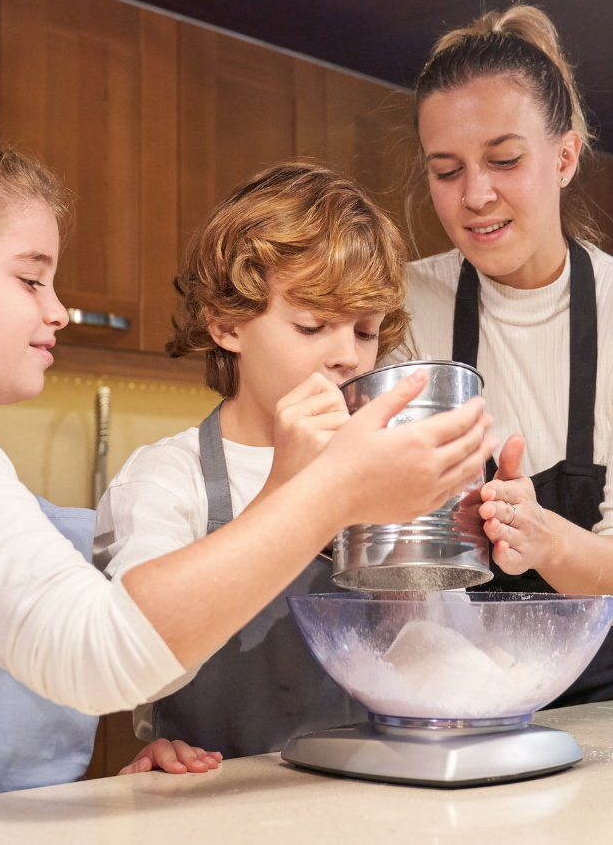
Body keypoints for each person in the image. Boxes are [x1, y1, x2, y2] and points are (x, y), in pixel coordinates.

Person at [0, 132, 493, 826]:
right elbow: (100, 654)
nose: (60, 311)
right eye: (30, 280)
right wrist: (327, 491)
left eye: (364, 330)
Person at [401, 5, 613, 705]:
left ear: (565, 157)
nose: (476, 196)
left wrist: (545, 540)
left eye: (505, 160)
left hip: (607, 708)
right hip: (441, 690)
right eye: (446, 171)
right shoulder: (402, 304)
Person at [95, 161, 407, 767]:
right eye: (313, 325)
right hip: (221, 808)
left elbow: (430, 658)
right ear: (226, 323)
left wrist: (443, 536)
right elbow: (133, 670)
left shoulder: (376, 473)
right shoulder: (166, 478)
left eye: (366, 332)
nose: (347, 356)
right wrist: (289, 495)